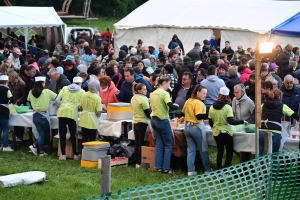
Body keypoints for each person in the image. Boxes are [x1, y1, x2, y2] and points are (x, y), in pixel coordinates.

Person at [208, 86, 247, 170]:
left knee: (220, 151)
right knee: (229, 152)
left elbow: (210, 121)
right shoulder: (227, 107)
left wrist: (214, 127)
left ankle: (218, 170)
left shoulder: (211, 107)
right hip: (227, 133)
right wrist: (242, 121)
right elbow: (231, 121)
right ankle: (226, 170)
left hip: (216, 132)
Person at [150, 76, 179, 174]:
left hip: (153, 119)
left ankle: (158, 166)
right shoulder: (165, 93)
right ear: (164, 83)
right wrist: (176, 106)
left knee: (159, 144)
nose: (169, 86)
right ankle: (166, 168)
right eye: (169, 83)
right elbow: (170, 106)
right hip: (162, 119)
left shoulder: (153, 93)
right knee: (168, 144)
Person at [181, 85, 212, 176]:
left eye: (206, 93)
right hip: (196, 127)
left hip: (187, 127)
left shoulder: (188, 101)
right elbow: (199, 116)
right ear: (197, 93)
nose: (205, 95)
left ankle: (190, 171)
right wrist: (207, 115)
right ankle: (207, 169)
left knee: (191, 149)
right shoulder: (199, 103)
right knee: (203, 149)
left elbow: (182, 113)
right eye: (203, 93)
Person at [259, 89, 300, 156]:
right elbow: (293, 114)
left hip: (262, 130)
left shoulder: (263, 105)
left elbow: (257, 114)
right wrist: (298, 118)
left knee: (261, 154)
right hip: (275, 132)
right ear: (280, 96)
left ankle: (261, 166)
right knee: (274, 155)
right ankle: (272, 166)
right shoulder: (282, 105)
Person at [55, 77, 85, 161]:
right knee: (73, 134)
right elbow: (82, 106)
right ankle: (76, 154)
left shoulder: (64, 88)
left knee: (62, 133)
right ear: (80, 83)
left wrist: (59, 106)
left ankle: (63, 155)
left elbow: (57, 100)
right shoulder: (82, 92)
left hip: (61, 112)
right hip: (72, 113)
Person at [28, 76, 57, 156]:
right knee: (45, 133)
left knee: (41, 133)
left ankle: (41, 151)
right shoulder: (47, 91)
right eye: (44, 82)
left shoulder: (31, 92)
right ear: (42, 83)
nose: (45, 84)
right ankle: (35, 146)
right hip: (43, 115)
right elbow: (57, 98)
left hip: (35, 115)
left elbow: (29, 100)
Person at [131, 83, 151, 168]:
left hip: (135, 121)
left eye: (146, 89)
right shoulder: (143, 99)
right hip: (143, 122)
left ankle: (137, 162)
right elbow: (147, 113)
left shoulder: (133, 98)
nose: (146, 91)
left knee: (137, 143)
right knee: (141, 143)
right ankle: (140, 162)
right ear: (139, 90)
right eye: (144, 89)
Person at [0, 75, 16, 151]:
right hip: (3, 110)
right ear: (6, 82)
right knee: (5, 129)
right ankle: (5, 146)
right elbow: (12, 100)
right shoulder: (6, 90)